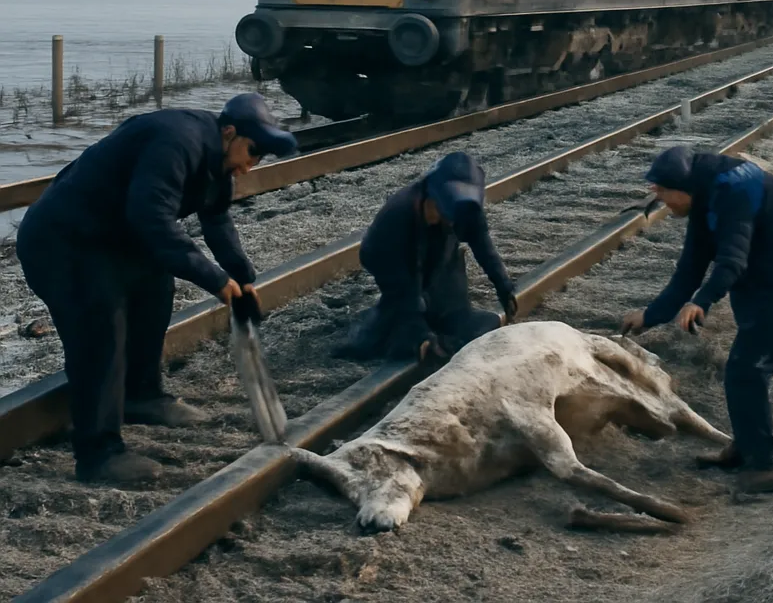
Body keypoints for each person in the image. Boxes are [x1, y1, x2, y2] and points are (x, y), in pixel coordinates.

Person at [15, 93, 298, 485]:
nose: (250, 167)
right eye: (251, 152)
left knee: (155, 292)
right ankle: (98, 453)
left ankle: (140, 395)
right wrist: (215, 281)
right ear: (229, 132)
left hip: (114, 240)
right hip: (64, 243)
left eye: (260, 158)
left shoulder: (218, 161)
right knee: (101, 330)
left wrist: (241, 276)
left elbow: (216, 220)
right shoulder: (176, 142)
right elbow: (150, 216)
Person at [620, 146, 773, 495]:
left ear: (682, 186)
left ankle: (763, 466)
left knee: (745, 369)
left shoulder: (731, 196)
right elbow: (690, 267)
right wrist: (651, 315)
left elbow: (731, 260)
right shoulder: (706, 190)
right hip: (769, 271)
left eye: (664, 195)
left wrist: (702, 301)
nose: (663, 203)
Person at [332, 152, 518, 363]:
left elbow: (482, 243)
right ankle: (382, 322)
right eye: (437, 211)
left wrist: (504, 286)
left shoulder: (464, 208)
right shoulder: (397, 218)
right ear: (429, 196)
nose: (439, 217)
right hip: (390, 258)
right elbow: (403, 285)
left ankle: (429, 315)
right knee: (405, 323)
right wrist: (420, 333)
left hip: (438, 251)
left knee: (455, 316)